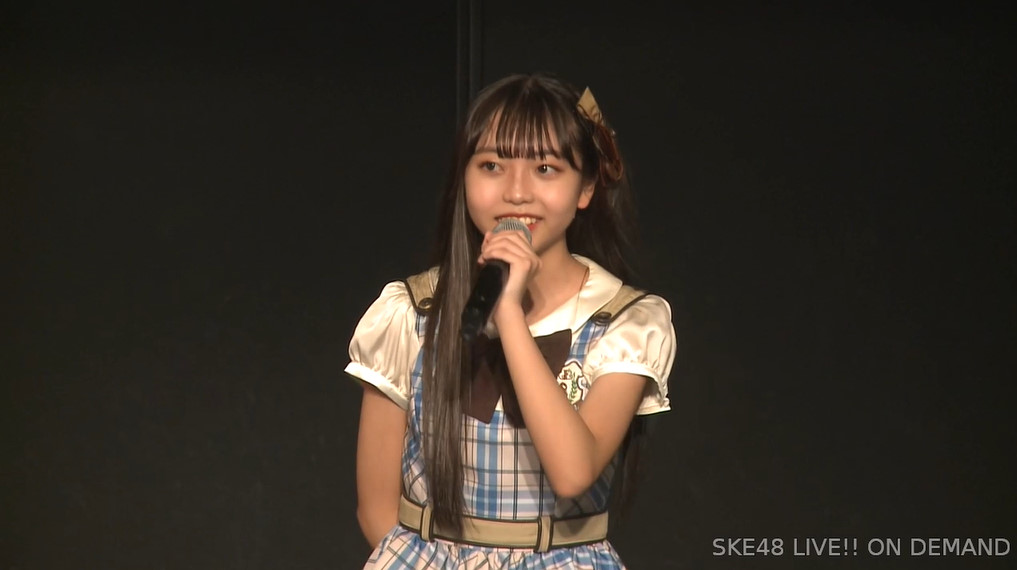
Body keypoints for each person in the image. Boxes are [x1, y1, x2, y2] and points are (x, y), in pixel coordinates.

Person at [345, 72, 676, 569]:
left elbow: (573, 472)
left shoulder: (626, 322)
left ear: (586, 188)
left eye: (545, 168)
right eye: (492, 165)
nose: (517, 193)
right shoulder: (411, 311)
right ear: (464, 178)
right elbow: (375, 506)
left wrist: (509, 312)